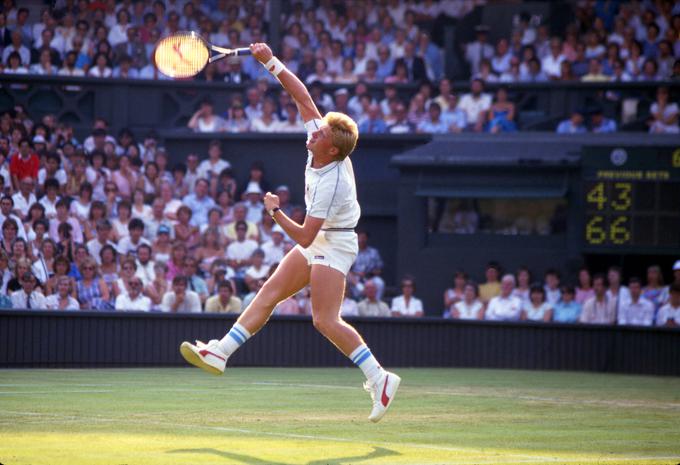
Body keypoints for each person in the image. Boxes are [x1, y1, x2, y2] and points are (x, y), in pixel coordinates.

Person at [180, 42, 400, 423]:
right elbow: (302, 95)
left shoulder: (332, 181)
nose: (312, 133)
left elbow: (304, 237)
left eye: (320, 135)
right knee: (270, 292)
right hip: (321, 235)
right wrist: (270, 62)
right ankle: (221, 352)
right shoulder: (324, 143)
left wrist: (275, 211)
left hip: (335, 242)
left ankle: (379, 378)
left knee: (324, 320)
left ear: (332, 150)